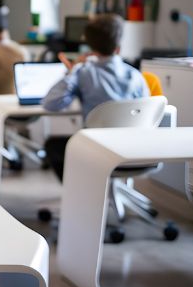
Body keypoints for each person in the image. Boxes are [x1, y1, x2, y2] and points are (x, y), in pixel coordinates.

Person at [41, 14, 149, 180]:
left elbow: (50, 103)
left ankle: (79, 192)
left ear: (90, 47)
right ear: (118, 47)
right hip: (135, 153)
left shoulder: (83, 72)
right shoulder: (135, 76)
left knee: (53, 146)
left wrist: (72, 71)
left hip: (97, 152)